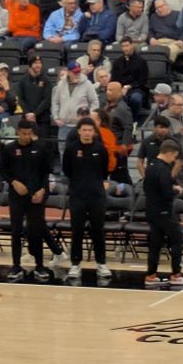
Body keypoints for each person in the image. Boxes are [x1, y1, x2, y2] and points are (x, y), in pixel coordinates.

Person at [1, 121, 51, 282]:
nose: (27, 137)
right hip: (16, 196)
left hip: (36, 196)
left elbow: (46, 173)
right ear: (18, 132)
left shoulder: (41, 148)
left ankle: (39, 265)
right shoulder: (9, 149)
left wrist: (43, 190)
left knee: (36, 230)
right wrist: (14, 182)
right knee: (15, 230)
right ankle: (16, 265)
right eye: (24, 133)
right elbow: (3, 171)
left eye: (29, 134)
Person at [64, 117, 110, 280]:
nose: (87, 133)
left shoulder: (101, 149)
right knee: (77, 231)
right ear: (79, 131)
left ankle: (101, 263)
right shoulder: (71, 149)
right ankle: (75, 264)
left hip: (97, 196)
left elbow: (104, 171)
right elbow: (66, 170)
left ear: (94, 132)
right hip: (77, 196)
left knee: (98, 230)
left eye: (90, 130)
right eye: (84, 130)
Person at [144, 139, 183, 287]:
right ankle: (176, 274)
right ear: (170, 153)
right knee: (177, 238)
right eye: (174, 156)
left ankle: (151, 276)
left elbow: (147, 187)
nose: (174, 160)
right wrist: (175, 190)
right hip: (164, 210)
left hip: (151, 209)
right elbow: (166, 192)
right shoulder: (163, 168)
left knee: (156, 243)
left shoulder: (150, 166)